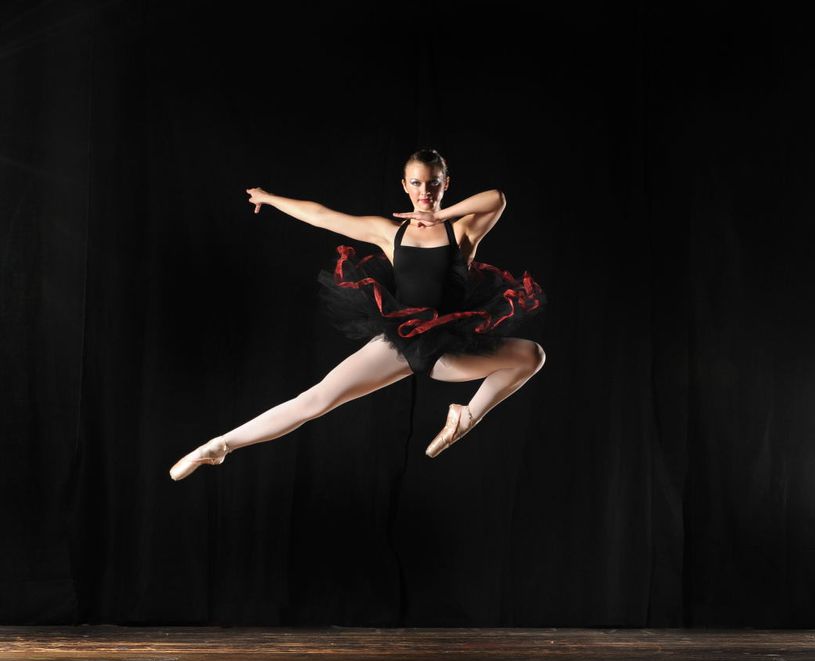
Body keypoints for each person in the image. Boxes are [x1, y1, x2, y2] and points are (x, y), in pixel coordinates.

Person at [169, 148, 546, 481]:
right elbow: (321, 216)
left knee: (531, 355)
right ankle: (220, 445)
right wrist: (270, 198)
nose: (425, 193)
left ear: (446, 184)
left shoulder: (462, 232)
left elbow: (496, 198)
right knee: (316, 400)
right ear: (404, 185)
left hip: (447, 350)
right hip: (400, 344)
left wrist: (442, 215)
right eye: (416, 183)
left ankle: (465, 417)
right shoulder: (389, 233)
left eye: (433, 184)